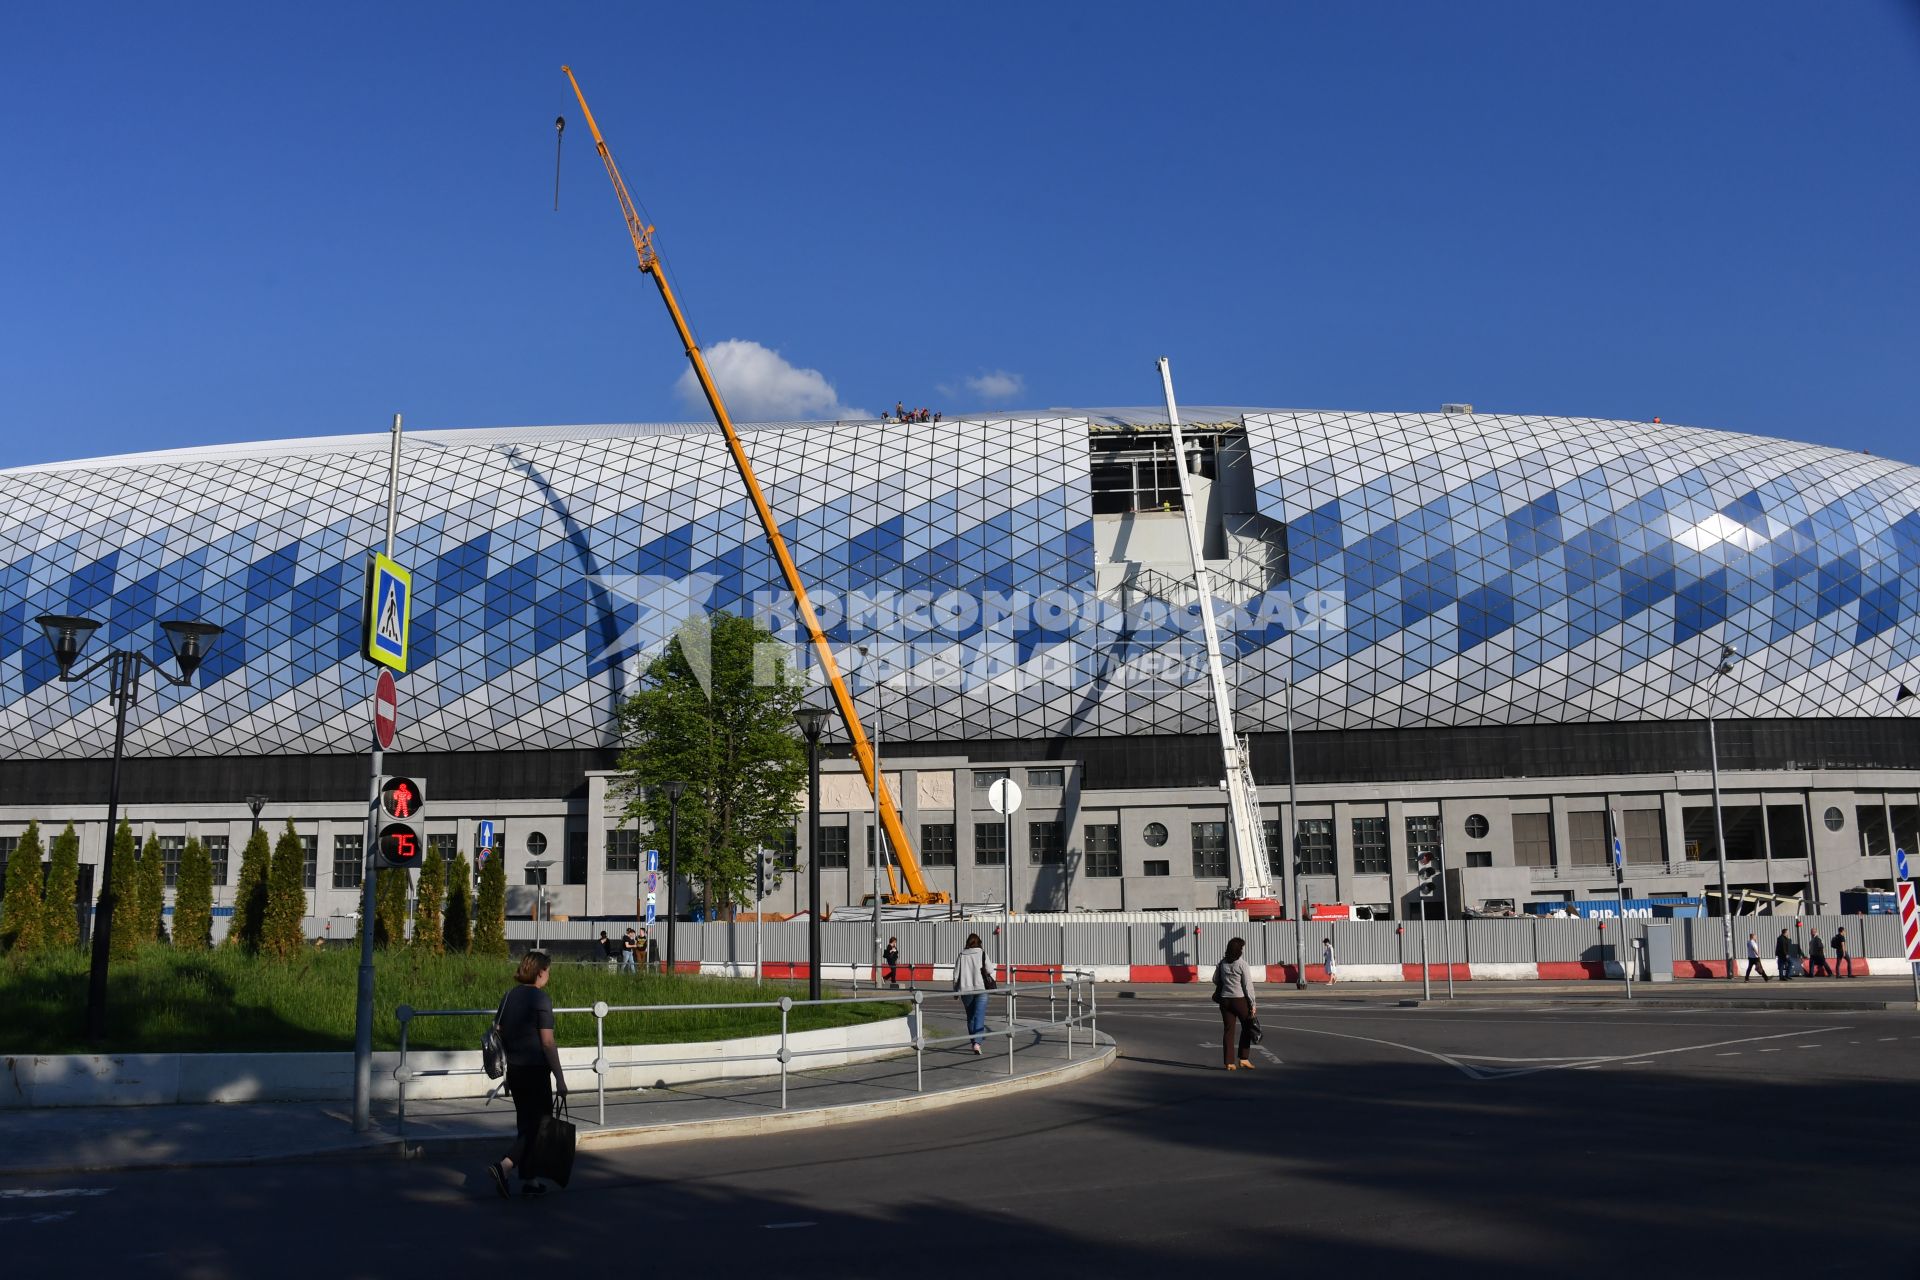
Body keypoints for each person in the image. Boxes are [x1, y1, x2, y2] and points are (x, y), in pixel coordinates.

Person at [488, 950, 568, 1199]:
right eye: (548, 971)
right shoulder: (541, 999)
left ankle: (530, 1180)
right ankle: (505, 1166)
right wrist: (560, 1078)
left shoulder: (509, 995)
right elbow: (547, 1042)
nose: (548, 976)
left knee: (526, 1122)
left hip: (515, 1070)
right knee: (538, 1126)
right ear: (541, 972)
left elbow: (498, 1029)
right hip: (535, 1070)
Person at [1213, 936, 1256, 1071]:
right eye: (1242, 948)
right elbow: (1247, 986)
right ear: (1239, 950)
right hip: (1239, 1000)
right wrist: (1253, 1003)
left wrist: (1227, 983)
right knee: (1248, 1027)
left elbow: (1215, 979)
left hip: (1225, 1000)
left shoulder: (1222, 963)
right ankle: (1243, 1058)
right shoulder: (1242, 964)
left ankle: (1229, 1062)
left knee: (1228, 1030)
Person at [952, 932, 992, 1053]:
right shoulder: (982, 953)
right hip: (981, 988)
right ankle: (977, 1043)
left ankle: (973, 1041)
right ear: (979, 942)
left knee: (970, 1017)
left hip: (965, 990)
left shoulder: (961, 955)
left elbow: (956, 975)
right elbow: (990, 969)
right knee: (979, 1016)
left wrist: (955, 990)